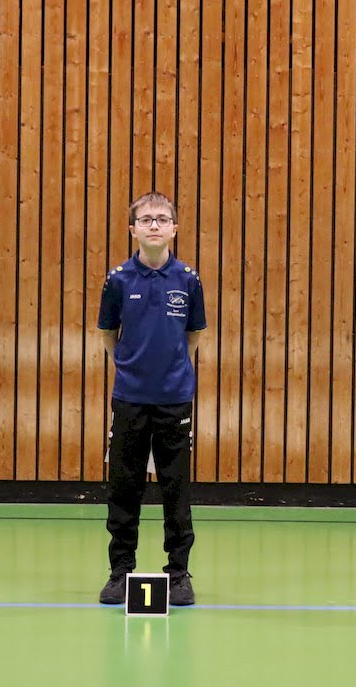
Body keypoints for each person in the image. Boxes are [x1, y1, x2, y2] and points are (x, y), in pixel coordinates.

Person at [96, 192, 206, 606]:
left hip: (175, 401)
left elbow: (194, 334)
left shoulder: (189, 279)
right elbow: (107, 333)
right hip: (129, 399)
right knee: (123, 487)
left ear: (174, 229)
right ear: (133, 229)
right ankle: (120, 571)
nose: (154, 225)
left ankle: (178, 573)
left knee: (176, 488)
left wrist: (172, 370)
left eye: (162, 219)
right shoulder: (118, 279)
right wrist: (129, 367)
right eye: (146, 219)